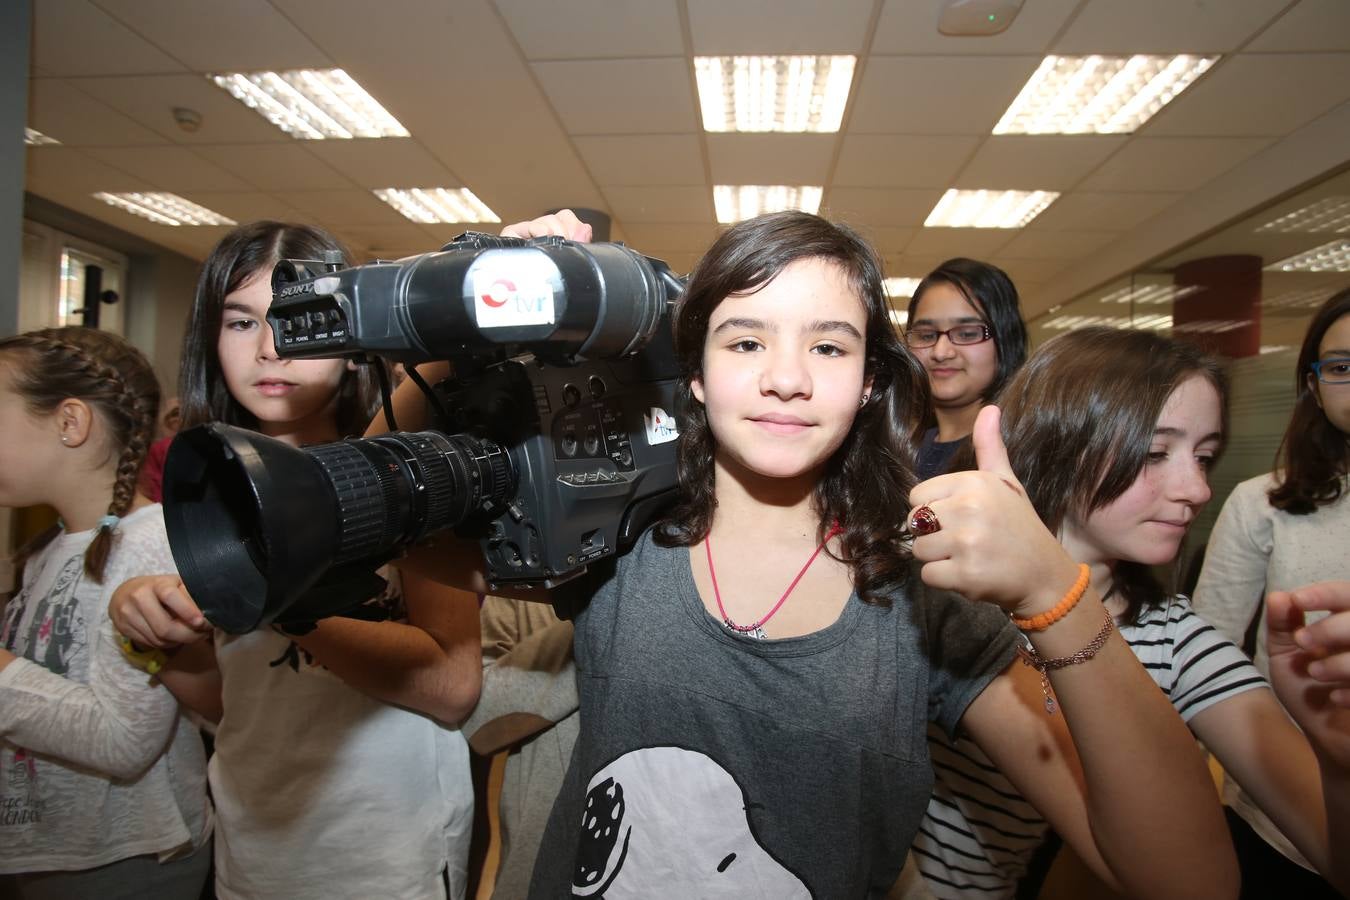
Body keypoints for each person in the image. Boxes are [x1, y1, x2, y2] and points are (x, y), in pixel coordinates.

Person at [390, 210, 1237, 898]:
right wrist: (469, 310)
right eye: (746, 341)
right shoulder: (613, 540)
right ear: (693, 372)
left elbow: (1186, 877)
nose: (786, 377)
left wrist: (1057, 593)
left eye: (828, 346)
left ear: (870, 379)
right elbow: (384, 492)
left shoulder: (921, 596)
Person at [107, 221, 482, 900]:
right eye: (240, 322)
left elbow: (453, 686)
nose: (271, 349)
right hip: (254, 848)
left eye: (299, 322)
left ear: (350, 342)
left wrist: (274, 594)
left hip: (388, 849)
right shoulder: (198, 501)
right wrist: (151, 638)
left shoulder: (414, 483)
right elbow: (231, 700)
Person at [912, 327, 1350, 899]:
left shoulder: (1174, 638)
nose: (1196, 488)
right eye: (1155, 453)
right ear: (1058, 443)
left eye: (1206, 456)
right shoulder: (953, 595)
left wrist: (1340, 766)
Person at [0, 327, 211, 899]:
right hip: (50, 850)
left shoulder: (150, 545)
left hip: (125, 860)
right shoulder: (47, 548)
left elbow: (124, 742)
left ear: (70, 422)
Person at [1193, 287, 1350, 898]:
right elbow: (1209, 652)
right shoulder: (1266, 502)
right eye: (1340, 367)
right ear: (1313, 384)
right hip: (1278, 820)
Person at [904, 259, 1027, 479]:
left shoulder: (1026, 450)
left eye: (967, 334)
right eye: (926, 335)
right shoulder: (901, 450)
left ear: (1006, 340)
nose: (941, 352)